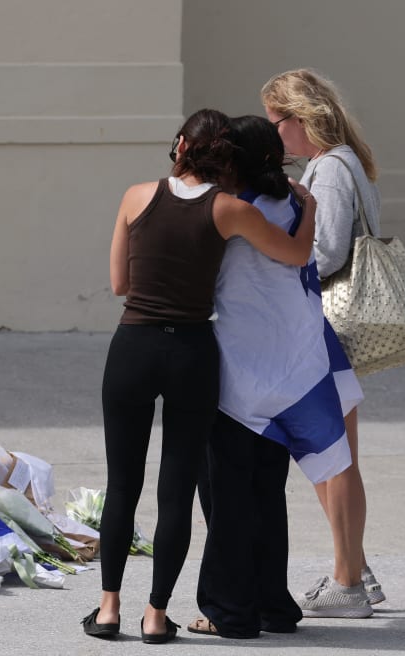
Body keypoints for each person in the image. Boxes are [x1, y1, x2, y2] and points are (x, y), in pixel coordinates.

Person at [81, 109, 317, 644]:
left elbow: (120, 283)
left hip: (133, 346)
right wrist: (309, 207)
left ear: (181, 144)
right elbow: (296, 253)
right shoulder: (230, 209)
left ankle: (109, 608)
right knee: (177, 488)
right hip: (191, 350)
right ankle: (156, 615)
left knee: (124, 483)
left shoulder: (135, 195)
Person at [189, 114, 363, 639]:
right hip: (298, 371)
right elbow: (302, 250)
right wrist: (308, 205)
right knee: (266, 495)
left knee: (225, 498)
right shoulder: (291, 203)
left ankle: (229, 611)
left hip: (243, 377)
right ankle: (273, 607)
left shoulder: (233, 214)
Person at [261, 68, 384, 617]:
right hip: (334, 326)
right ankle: (353, 567)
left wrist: (276, 256)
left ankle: (348, 581)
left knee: (332, 458)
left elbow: (328, 252)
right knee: (334, 455)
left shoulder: (329, 169)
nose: (273, 135)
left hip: (326, 327)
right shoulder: (345, 161)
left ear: (299, 117)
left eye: (275, 122)